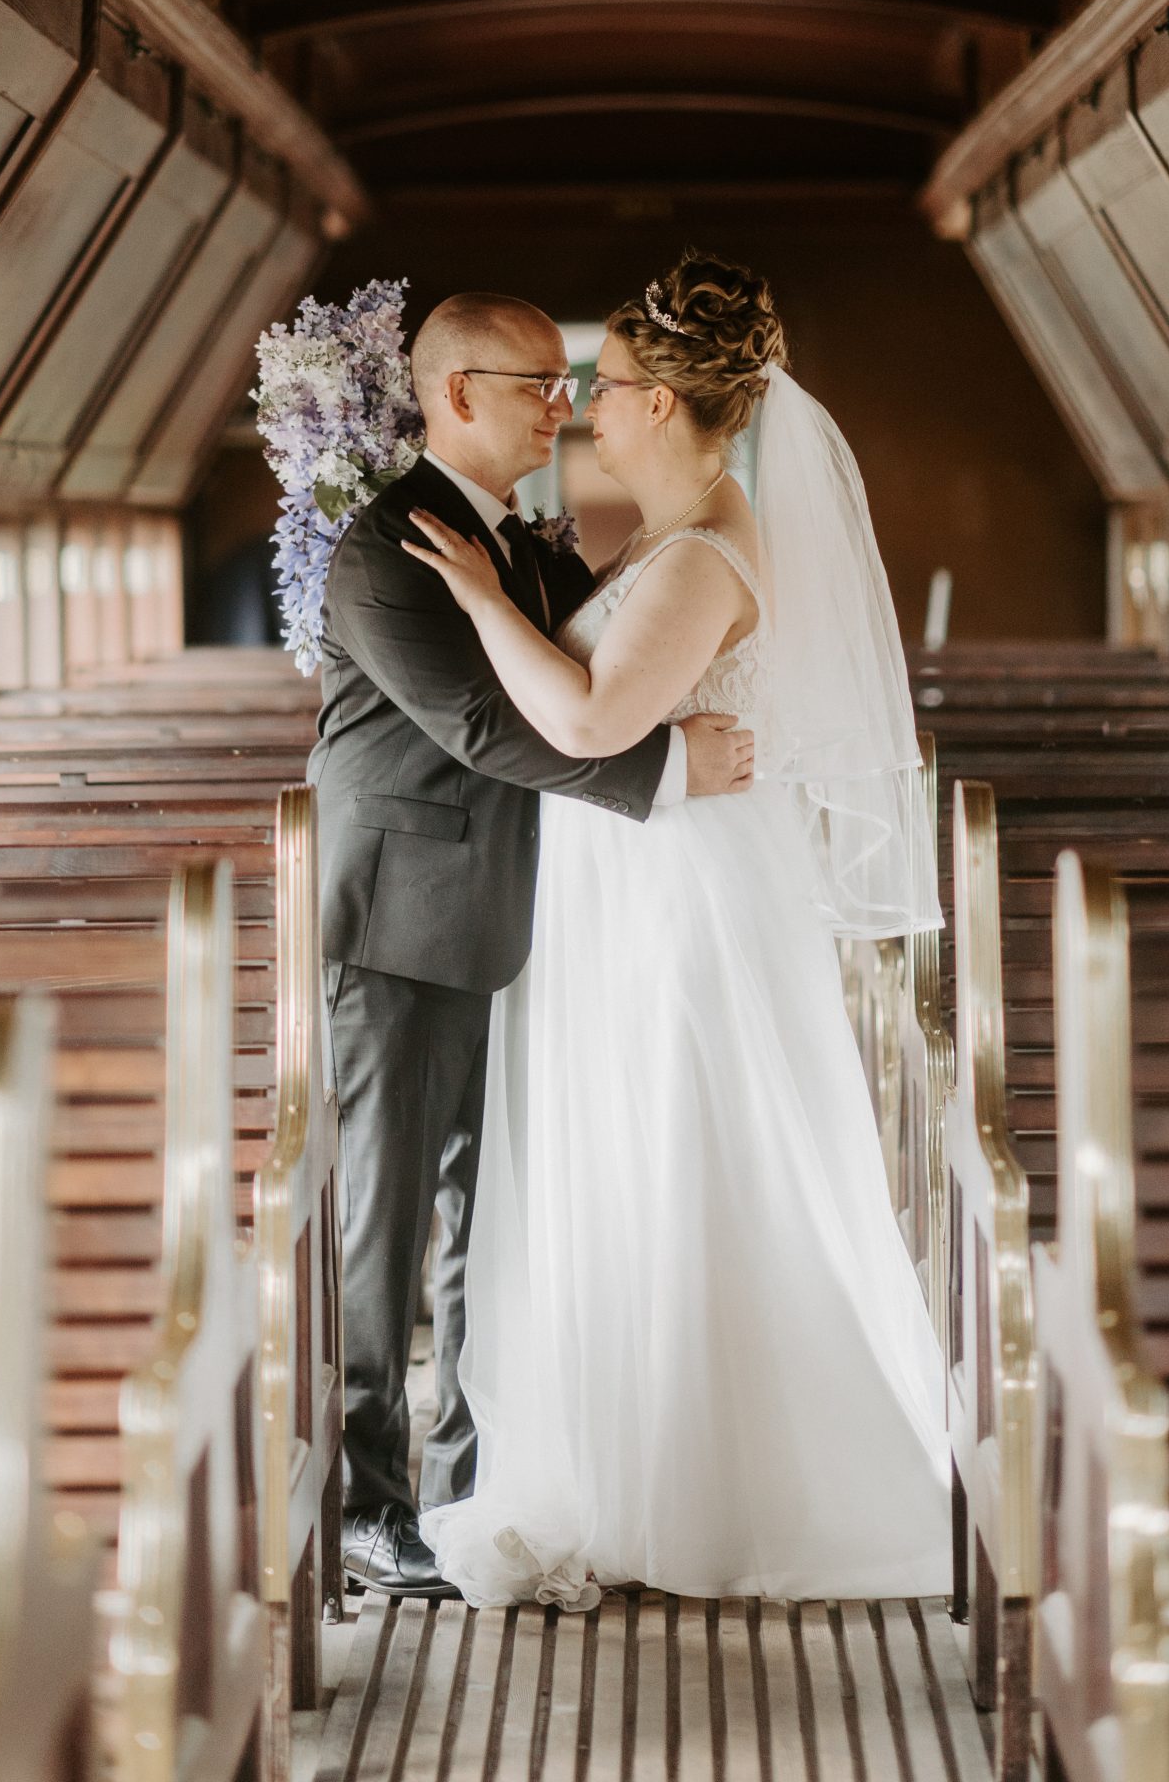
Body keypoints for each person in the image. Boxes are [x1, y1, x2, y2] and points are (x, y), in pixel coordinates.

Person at [404, 254, 952, 1604]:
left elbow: (594, 724)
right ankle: (622, 1462)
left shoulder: (707, 551)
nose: (589, 403)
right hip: (637, 889)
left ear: (665, 408)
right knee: (635, 1158)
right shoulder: (675, 537)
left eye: (612, 384)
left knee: (683, 1154)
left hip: (681, 906)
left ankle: (709, 1491)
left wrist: (477, 602)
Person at [310, 291, 756, 1598]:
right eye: (537, 383)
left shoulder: (533, 544)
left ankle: (462, 1488)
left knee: (478, 1213)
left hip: (516, 920)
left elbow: (586, 663)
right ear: (455, 394)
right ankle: (364, 1502)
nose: (561, 405)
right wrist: (663, 772)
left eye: (573, 385)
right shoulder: (384, 549)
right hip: (394, 925)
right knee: (383, 1227)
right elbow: (479, 726)